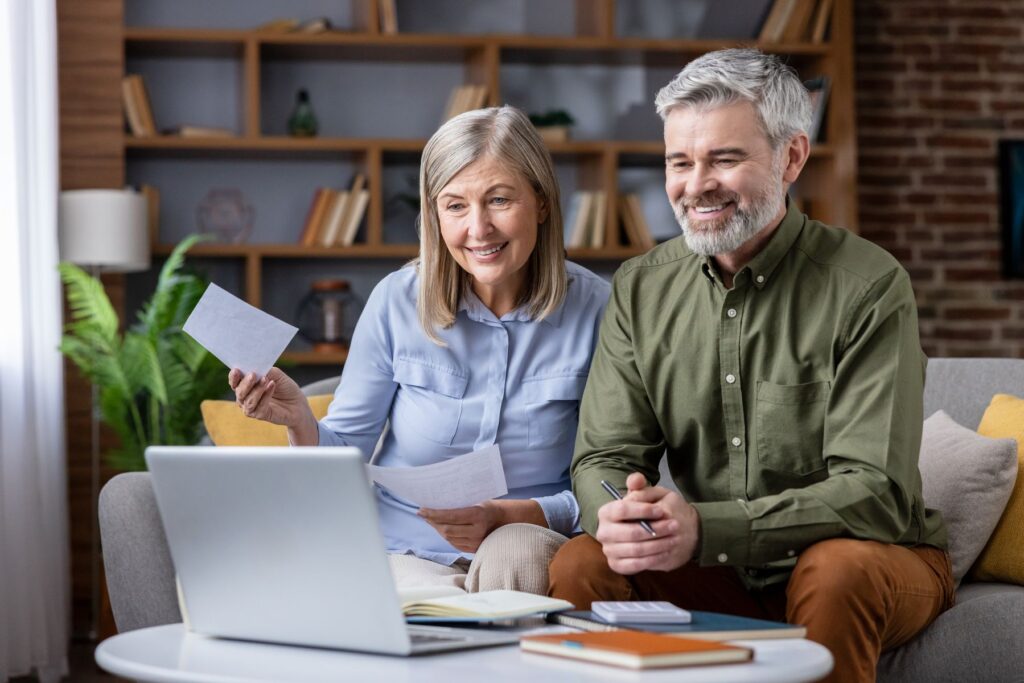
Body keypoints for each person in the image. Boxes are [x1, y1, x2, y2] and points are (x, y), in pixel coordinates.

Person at [547, 49, 953, 683]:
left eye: (725, 159)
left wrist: (707, 528)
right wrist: (616, 517)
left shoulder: (868, 285)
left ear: (791, 157)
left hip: (877, 562)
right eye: (679, 162)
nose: (695, 184)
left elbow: (876, 492)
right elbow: (604, 457)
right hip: (719, 572)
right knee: (582, 562)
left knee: (834, 570)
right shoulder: (640, 288)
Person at [230, 106, 610, 595]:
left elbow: (610, 477)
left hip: (526, 541)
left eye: (498, 200)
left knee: (513, 549)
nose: (478, 229)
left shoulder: (599, 308)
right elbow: (347, 450)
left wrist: (518, 514)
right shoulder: (396, 301)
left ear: (540, 202)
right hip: (408, 546)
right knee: (419, 600)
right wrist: (300, 420)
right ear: (434, 214)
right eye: (455, 206)